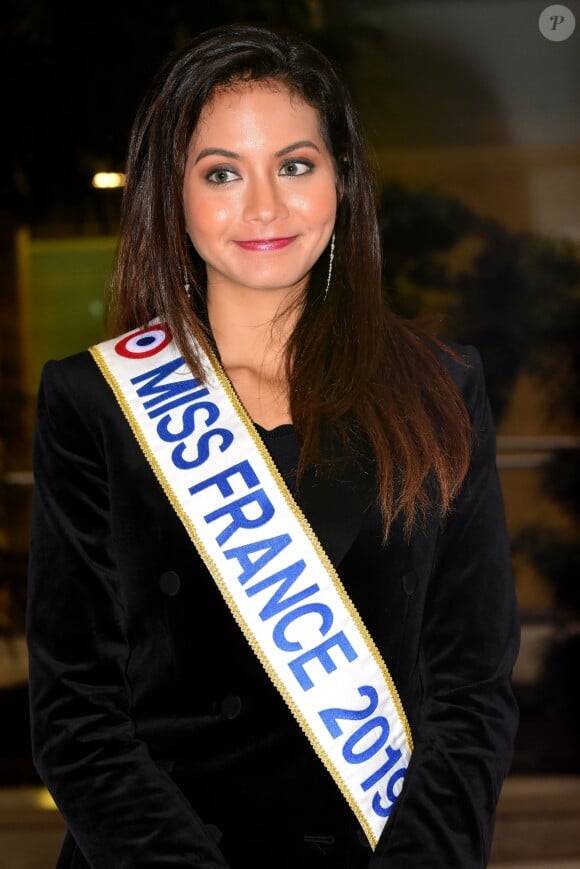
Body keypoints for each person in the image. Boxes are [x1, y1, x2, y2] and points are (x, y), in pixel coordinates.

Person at [26, 22, 520, 869]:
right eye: (223, 173)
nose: (265, 206)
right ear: (172, 195)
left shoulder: (440, 388)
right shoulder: (96, 402)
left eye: (296, 165)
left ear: (342, 179)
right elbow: (76, 715)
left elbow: (470, 695)